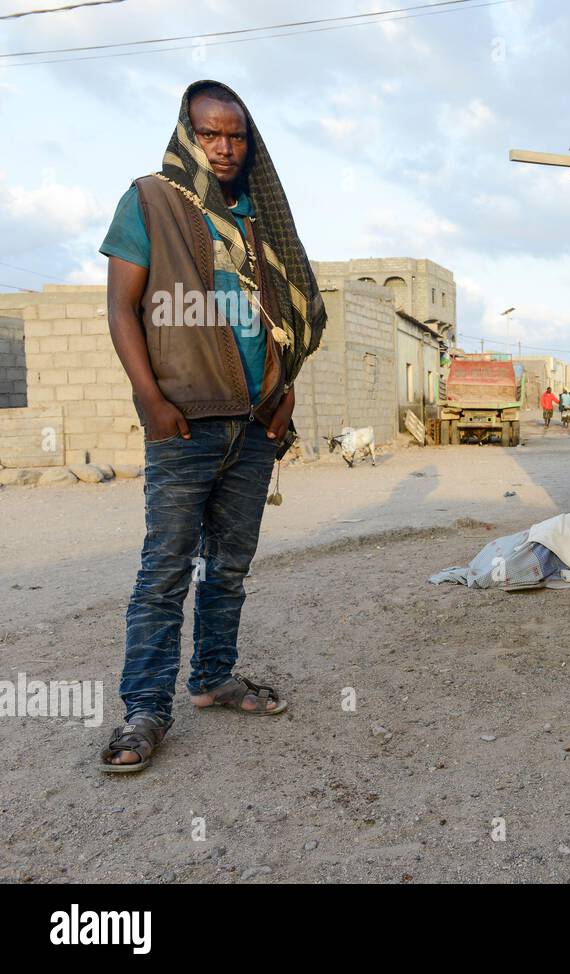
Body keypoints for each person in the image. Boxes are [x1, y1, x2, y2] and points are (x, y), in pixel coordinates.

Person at [97, 80, 326, 772]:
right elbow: (121, 309)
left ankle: (213, 679)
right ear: (186, 134)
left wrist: (284, 393)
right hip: (185, 421)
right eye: (211, 134)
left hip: (256, 424)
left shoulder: (260, 216)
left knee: (227, 567)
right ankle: (144, 711)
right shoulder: (151, 201)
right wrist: (149, 400)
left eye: (236, 136)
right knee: (165, 571)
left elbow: (284, 319)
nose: (225, 149)